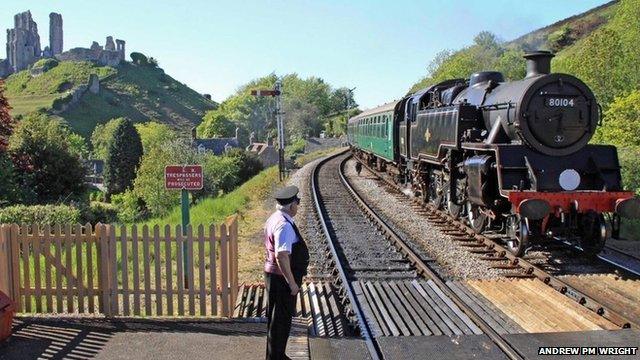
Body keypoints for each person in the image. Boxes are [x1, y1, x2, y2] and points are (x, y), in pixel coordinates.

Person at [264, 185, 309, 360]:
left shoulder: (274, 218)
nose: (298, 205)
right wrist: (291, 283)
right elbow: (282, 256)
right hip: (281, 279)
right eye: (297, 202)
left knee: (276, 321)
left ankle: (276, 355)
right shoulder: (284, 226)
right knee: (281, 322)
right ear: (291, 206)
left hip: (273, 276)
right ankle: (277, 356)